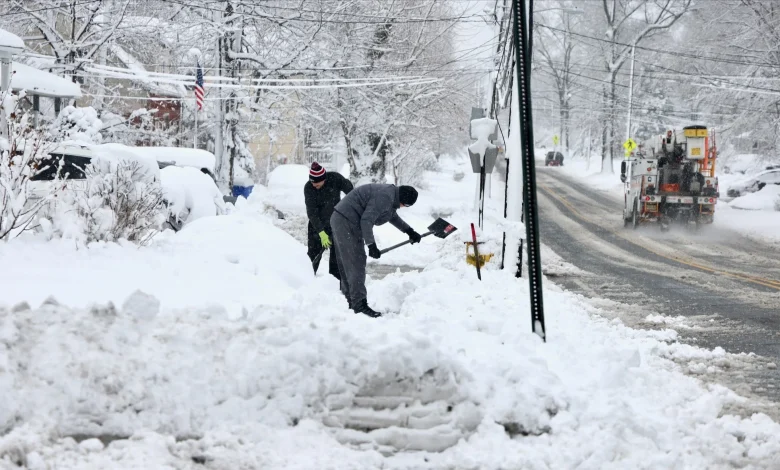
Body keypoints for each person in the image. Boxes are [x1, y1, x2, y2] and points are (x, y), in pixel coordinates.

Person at [330, 184, 421, 317]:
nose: (403, 207)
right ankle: (358, 304)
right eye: (406, 206)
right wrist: (371, 245)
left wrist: (409, 231)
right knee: (356, 262)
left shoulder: (390, 195)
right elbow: (366, 220)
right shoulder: (385, 197)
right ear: (403, 201)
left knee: (349, 262)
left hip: (342, 218)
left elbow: (391, 216)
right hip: (346, 220)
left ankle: (350, 301)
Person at [304, 162, 353, 279]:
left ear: (323, 179)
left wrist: (349, 206)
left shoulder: (334, 178)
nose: (314, 185)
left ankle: (335, 282)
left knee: (336, 257)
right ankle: (306, 280)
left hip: (336, 223)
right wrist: (321, 232)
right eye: (312, 182)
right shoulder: (309, 188)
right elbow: (312, 213)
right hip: (316, 226)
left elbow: (351, 191)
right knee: (313, 255)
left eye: (317, 183)